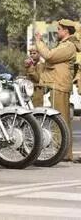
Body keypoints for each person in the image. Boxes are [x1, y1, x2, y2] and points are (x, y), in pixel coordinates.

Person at [34, 19, 81, 162]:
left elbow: (49, 56)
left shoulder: (68, 46)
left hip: (59, 85)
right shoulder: (65, 45)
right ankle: (65, 153)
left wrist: (39, 42)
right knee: (62, 121)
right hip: (58, 85)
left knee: (59, 121)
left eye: (59, 29)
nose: (57, 31)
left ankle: (63, 153)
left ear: (66, 31)